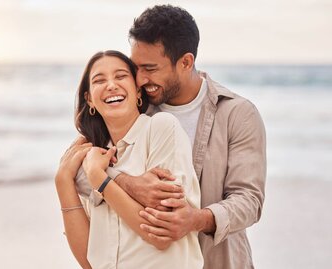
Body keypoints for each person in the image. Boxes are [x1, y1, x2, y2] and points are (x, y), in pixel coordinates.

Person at [111, 5, 267, 269]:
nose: (139, 79)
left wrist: (195, 219)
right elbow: (83, 169)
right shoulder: (133, 110)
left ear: (185, 62)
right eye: (135, 67)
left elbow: (249, 200)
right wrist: (129, 183)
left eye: (150, 68)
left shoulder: (238, 114)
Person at [55, 50, 204, 269]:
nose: (111, 85)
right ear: (90, 100)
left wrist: (101, 179)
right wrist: (63, 181)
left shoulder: (160, 128)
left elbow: (159, 236)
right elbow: (90, 262)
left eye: (121, 76)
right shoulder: (93, 157)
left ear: (137, 91)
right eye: (99, 80)